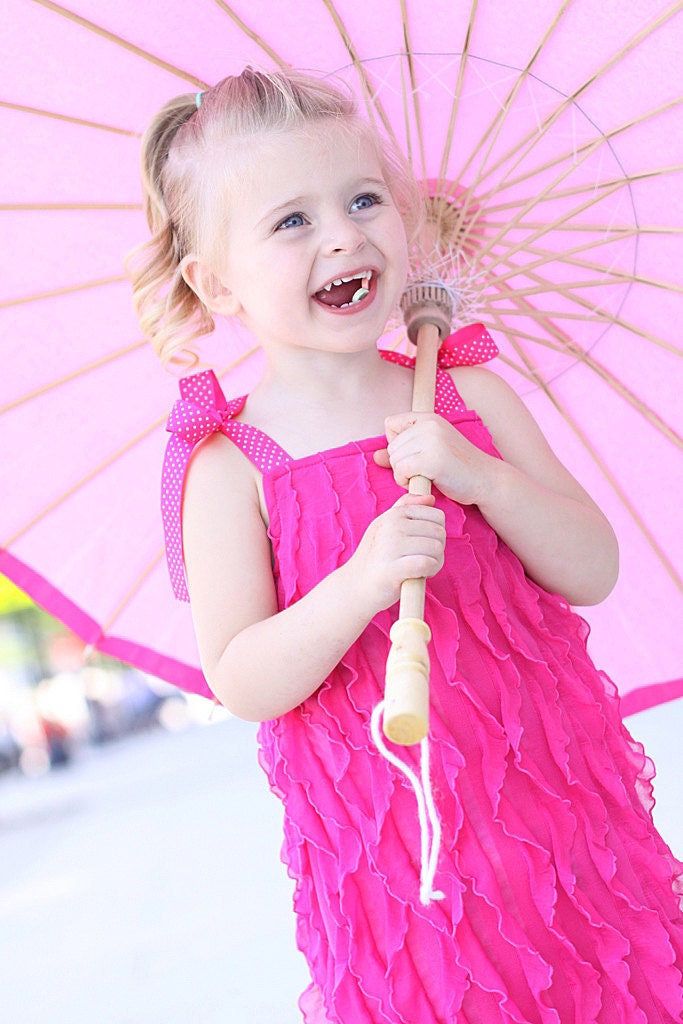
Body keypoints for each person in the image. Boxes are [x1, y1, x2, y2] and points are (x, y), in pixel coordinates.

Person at [129, 68, 683, 1023]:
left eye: (362, 199)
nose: (342, 234)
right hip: (401, 858)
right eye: (290, 222)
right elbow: (243, 675)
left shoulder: (467, 395)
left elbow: (592, 567)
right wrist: (360, 582)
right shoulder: (232, 466)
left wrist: (483, 480)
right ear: (215, 282)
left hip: (562, 821)